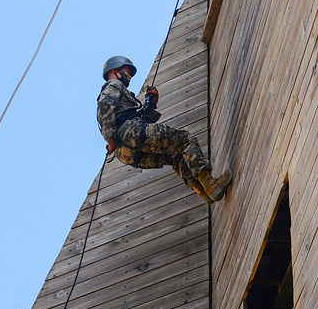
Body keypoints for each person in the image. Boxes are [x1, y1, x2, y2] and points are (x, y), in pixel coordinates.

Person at [97, 56, 232, 204]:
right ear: (115, 70)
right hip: (130, 134)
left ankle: (203, 192)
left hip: (126, 153)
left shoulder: (123, 96)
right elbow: (105, 107)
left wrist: (152, 103)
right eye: (127, 71)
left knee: (175, 156)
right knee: (185, 140)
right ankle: (210, 184)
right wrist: (109, 139)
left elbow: (143, 127)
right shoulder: (113, 85)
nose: (129, 76)